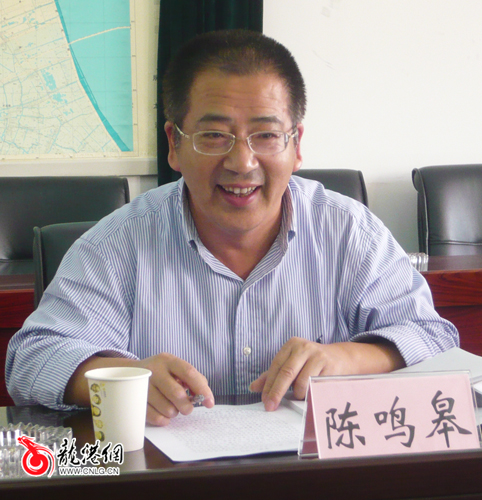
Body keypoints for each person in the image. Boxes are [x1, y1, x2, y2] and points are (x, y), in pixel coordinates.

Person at [6, 30, 458, 426]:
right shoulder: (117, 244)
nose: (242, 163)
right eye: (214, 136)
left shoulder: (348, 231)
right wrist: (122, 380)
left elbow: (433, 336)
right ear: (174, 144)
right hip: (168, 479)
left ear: (296, 145)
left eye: (266, 135)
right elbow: (32, 358)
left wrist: (346, 358)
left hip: (311, 475)